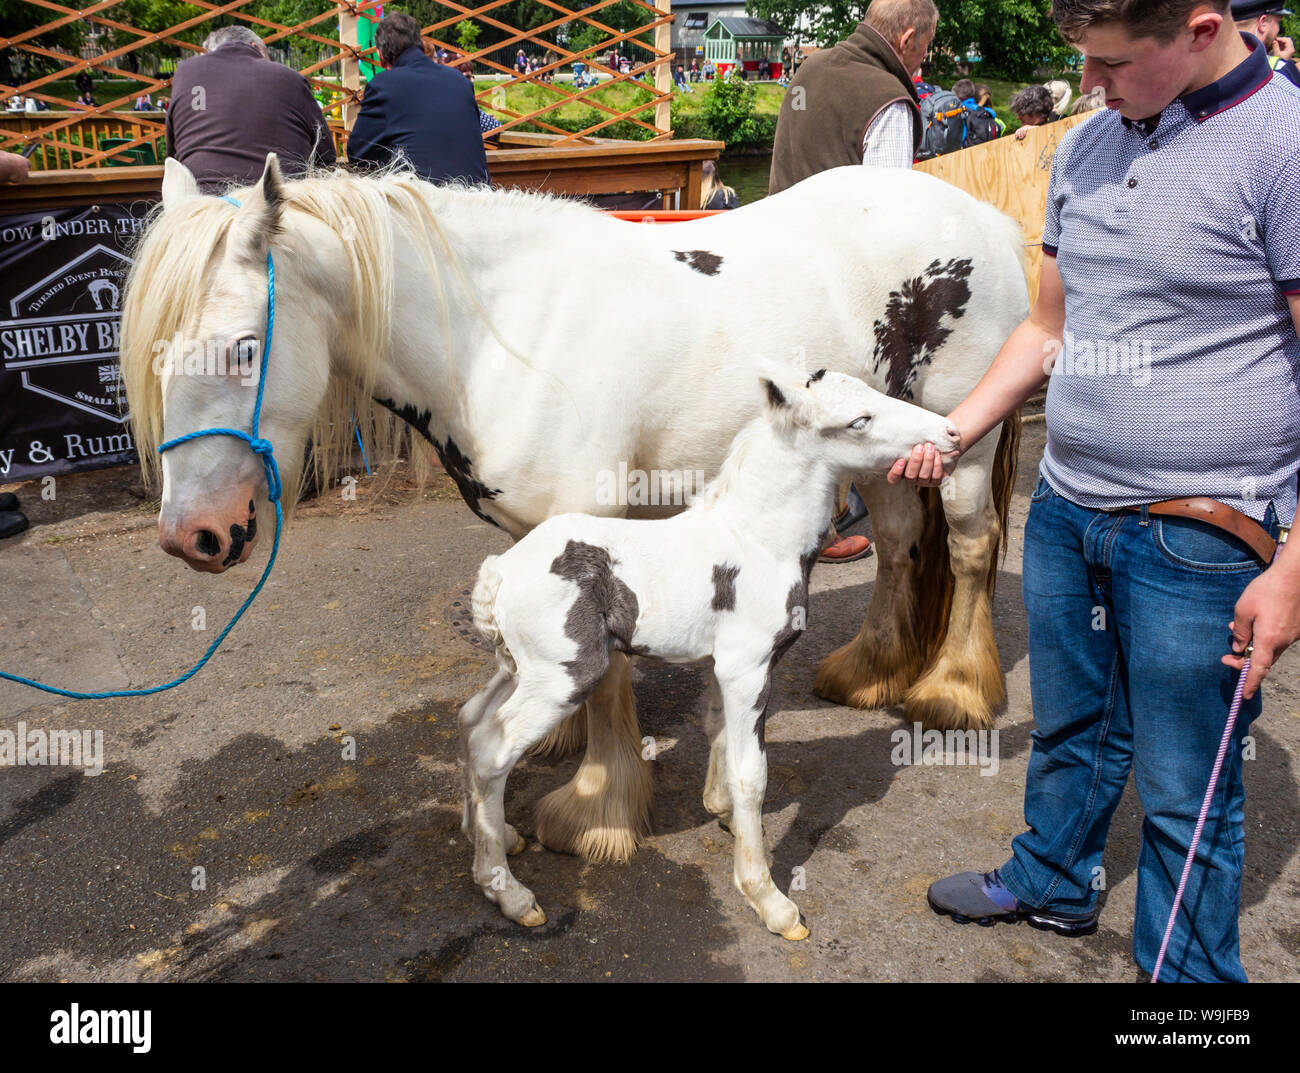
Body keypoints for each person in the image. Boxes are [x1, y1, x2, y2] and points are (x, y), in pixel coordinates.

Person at [910, 0, 1300, 983]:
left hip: (1201, 534)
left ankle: (1190, 988)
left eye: (1113, 63)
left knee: (1186, 787)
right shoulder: (1086, 149)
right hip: (1068, 506)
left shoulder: (1283, 147)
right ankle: (1052, 877)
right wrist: (953, 429)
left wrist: (1293, 568)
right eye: (1081, 61)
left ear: (1203, 28)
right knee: (1071, 725)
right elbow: (1046, 329)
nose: (1088, 84)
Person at [769, 0, 938, 563]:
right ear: (909, 38)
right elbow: (885, 226)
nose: (925, 58)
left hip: (776, 258)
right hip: (834, 283)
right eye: (926, 46)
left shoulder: (811, 69)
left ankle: (812, 521)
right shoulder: (885, 99)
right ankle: (825, 525)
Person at [165, 26, 334, 193]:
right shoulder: (289, 78)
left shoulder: (185, 72)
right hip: (280, 206)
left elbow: (173, 155)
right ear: (255, 47)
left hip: (202, 206)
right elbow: (326, 155)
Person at [347, 12, 489, 186]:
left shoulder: (383, 86)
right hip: (479, 197)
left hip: (427, 202)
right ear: (421, 44)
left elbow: (358, 153)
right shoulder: (460, 80)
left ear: (381, 58)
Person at [1232, 0, 1300, 84]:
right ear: (1263, 22)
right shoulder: (1284, 74)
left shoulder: (1216, 60)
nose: (1278, 30)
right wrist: (1283, 66)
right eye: (1278, 22)